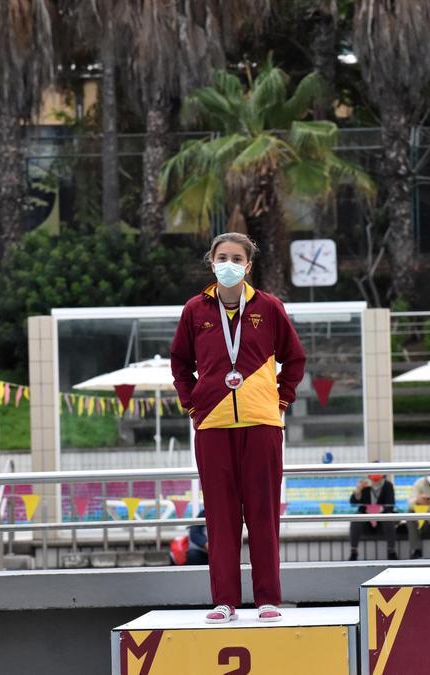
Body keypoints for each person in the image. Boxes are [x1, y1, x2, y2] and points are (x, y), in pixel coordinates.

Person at [170, 232, 306, 624]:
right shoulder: (195, 310)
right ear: (211, 263)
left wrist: (281, 400)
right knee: (220, 515)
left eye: (236, 258)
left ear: (248, 266)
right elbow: (179, 361)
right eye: (221, 257)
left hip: (262, 423)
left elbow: (294, 359)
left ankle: (268, 598)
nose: (228, 263)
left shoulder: (269, 307)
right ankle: (224, 600)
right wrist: (191, 401)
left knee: (263, 514)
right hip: (211, 424)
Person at [348, 473, 398, 561]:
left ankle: (391, 551)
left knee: (388, 519)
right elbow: (353, 502)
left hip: (381, 520)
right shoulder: (365, 486)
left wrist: (379, 510)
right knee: (356, 518)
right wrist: (358, 490)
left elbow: (390, 504)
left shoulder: (388, 486)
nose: (375, 480)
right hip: (366, 521)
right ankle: (353, 551)